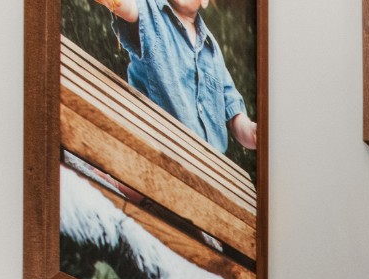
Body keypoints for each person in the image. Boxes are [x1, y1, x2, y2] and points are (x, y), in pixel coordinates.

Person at [89, 0, 259, 159]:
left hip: (210, 174)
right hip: (158, 157)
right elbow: (121, 4)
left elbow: (235, 116)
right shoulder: (149, 12)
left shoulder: (213, 51)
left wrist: (254, 133)